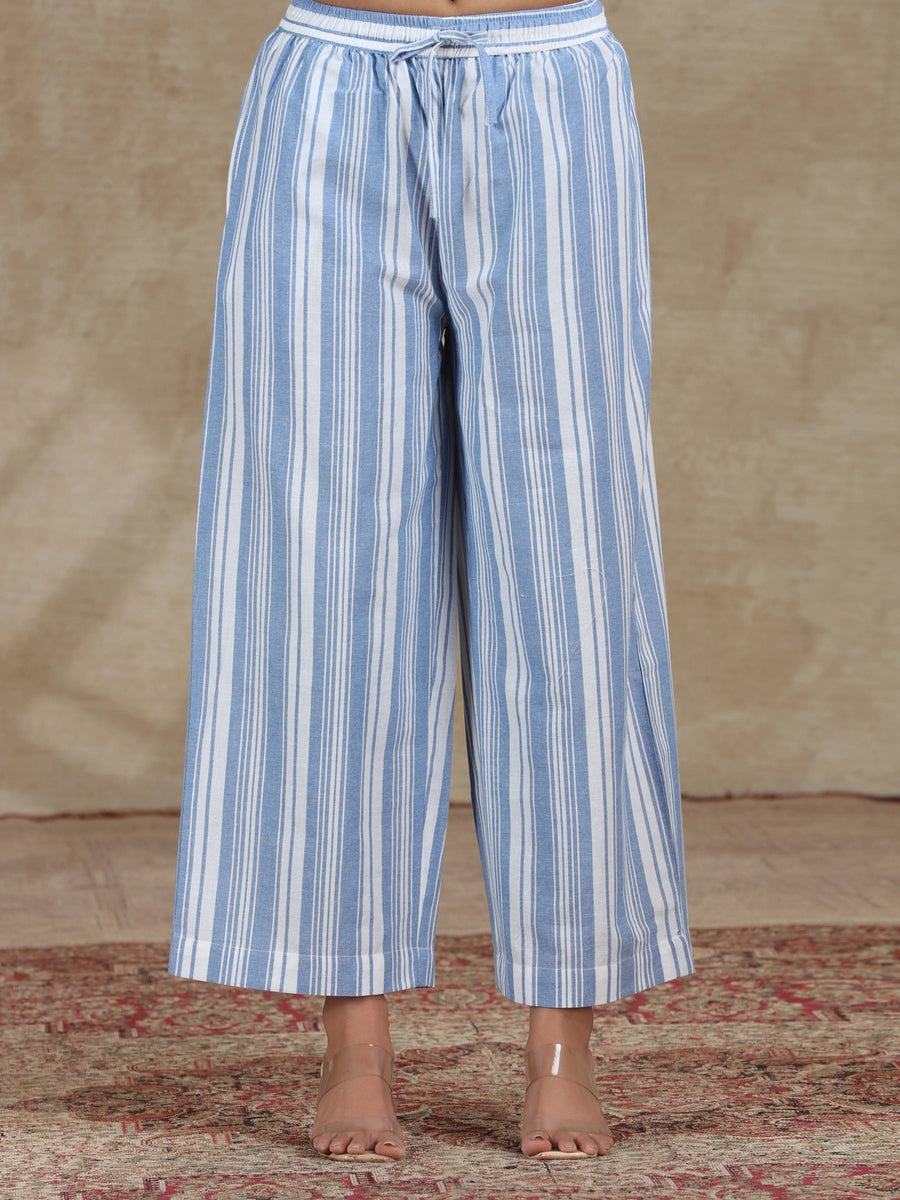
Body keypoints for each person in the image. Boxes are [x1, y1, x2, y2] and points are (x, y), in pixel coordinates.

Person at [168, 0, 695, 1164]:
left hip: (551, 83)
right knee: (325, 577)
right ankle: (353, 1048)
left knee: (570, 570)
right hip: (332, 75)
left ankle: (563, 1049)